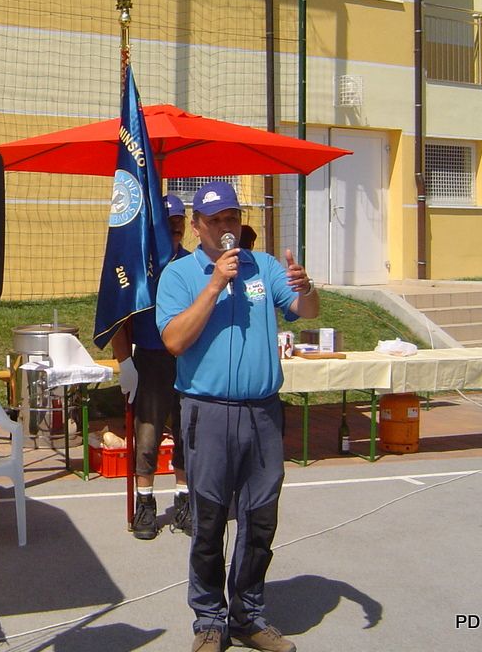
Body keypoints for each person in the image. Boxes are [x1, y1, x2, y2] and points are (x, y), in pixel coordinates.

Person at [155, 180, 319, 652]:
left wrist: (306, 288)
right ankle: (209, 619)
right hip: (207, 413)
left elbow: (305, 311)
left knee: (260, 519)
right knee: (209, 521)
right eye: (215, 220)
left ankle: (248, 616)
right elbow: (174, 341)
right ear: (197, 226)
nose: (225, 226)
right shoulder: (180, 275)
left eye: (232, 217)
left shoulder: (263, 266)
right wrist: (214, 285)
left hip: (262, 413)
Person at [112, 193, 192, 540]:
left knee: (188, 433)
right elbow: (117, 317)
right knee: (147, 435)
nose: (174, 227)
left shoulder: (193, 264)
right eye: (167, 222)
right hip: (151, 357)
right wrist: (124, 362)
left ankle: (185, 499)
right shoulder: (137, 269)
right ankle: (145, 502)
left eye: (179, 221)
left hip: (188, 358)